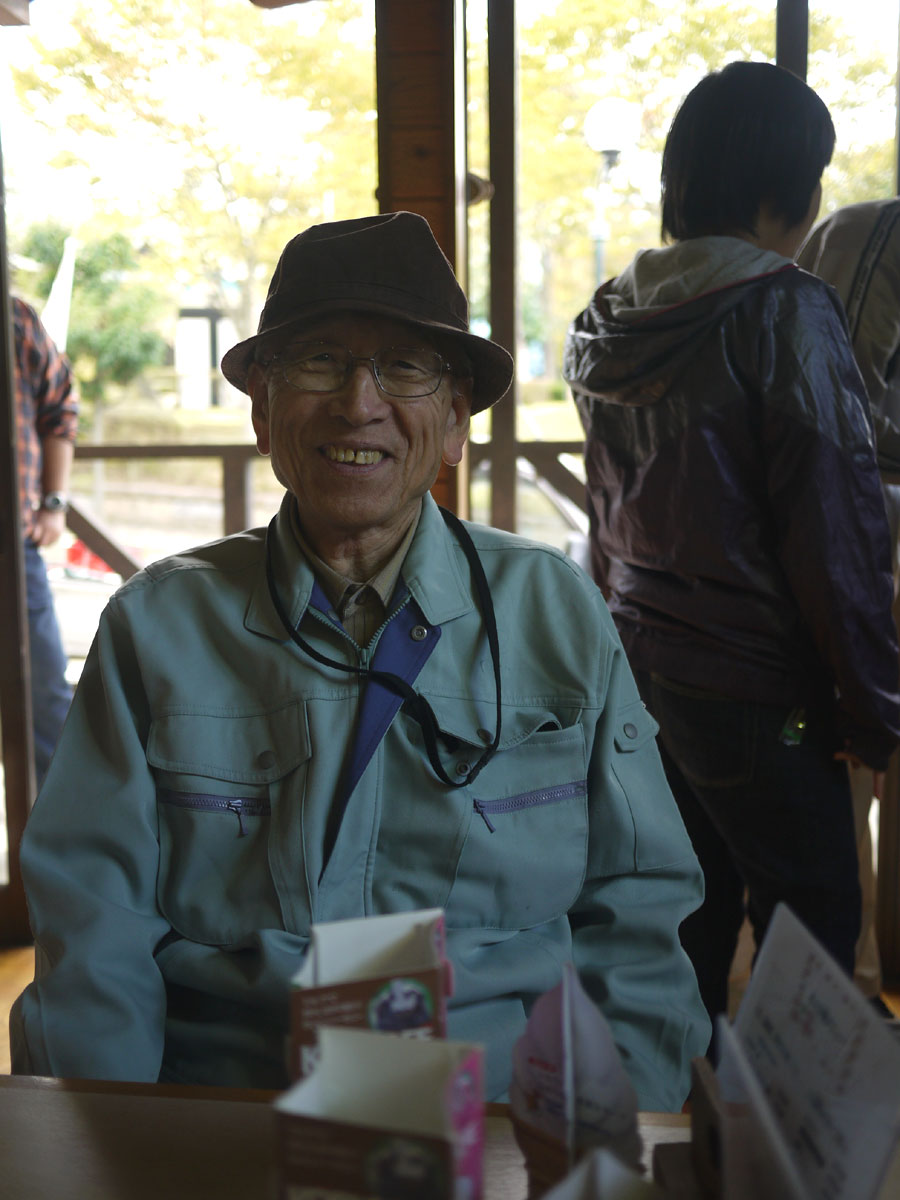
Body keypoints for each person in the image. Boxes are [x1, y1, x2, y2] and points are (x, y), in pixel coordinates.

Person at [10, 211, 710, 1110]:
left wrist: (618, 1133)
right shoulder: (158, 627)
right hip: (229, 1114)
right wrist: (120, 1145)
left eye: (406, 367)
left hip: (503, 1114)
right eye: (319, 360)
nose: (359, 402)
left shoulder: (553, 613)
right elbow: (91, 931)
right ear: (262, 411)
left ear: (455, 421)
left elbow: (638, 908)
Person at [563, 62, 900, 1027]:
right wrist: (873, 703)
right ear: (783, 190)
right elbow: (834, 529)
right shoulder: (783, 307)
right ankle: (784, 1121)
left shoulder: (611, 311)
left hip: (648, 670)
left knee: (691, 914)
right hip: (764, 685)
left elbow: (607, 510)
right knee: (813, 923)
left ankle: (686, 1099)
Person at [798, 200, 900, 1011]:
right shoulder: (880, 233)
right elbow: (842, 415)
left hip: (853, 562)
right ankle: (851, 1005)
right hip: (861, 564)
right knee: (842, 785)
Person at [13, 295, 78, 787]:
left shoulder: (14, 318)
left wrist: (53, 503)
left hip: (11, 548)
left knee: (46, 700)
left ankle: (60, 825)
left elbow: (60, 406)